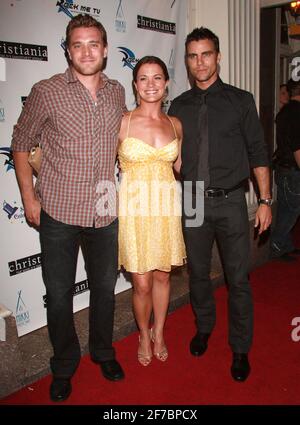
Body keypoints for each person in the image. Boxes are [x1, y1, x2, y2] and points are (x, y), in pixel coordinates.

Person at [11, 14, 126, 402]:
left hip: (105, 210)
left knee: (105, 290)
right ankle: (63, 364)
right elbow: (21, 143)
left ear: (106, 49)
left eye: (93, 43)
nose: (86, 51)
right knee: (58, 295)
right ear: (67, 50)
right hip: (58, 211)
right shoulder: (46, 91)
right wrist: (29, 197)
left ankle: (103, 352)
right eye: (78, 44)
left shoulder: (117, 92)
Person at [168, 27, 272, 382]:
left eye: (206, 54)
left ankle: (240, 348)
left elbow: (258, 151)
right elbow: (173, 158)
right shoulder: (178, 106)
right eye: (193, 56)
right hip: (193, 200)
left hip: (230, 200)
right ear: (187, 60)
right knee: (197, 275)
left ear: (218, 57)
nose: (200, 62)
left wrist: (265, 199)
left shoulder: (241, 101)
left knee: (238, 279)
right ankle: (204, 328)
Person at [118, 56, 186, 366]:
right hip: (134, 212)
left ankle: (159, 331)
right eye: (143, 78)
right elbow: (105, 168)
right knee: (141, 282)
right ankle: (142, 333)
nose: (150, 84)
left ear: (166, 84)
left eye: (157, 78)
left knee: (162, 277)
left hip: (165, 209)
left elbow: (178, 167)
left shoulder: (175, 124)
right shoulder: (122, 122)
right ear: (135, 85)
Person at [270, 78, 300, 261]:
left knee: (286, 208)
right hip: (292, 170)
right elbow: (297, 145)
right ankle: (277, 243)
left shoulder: (285, 112)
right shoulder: (297, 113)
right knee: (291, 210)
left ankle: (285, 245)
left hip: (283, 168)